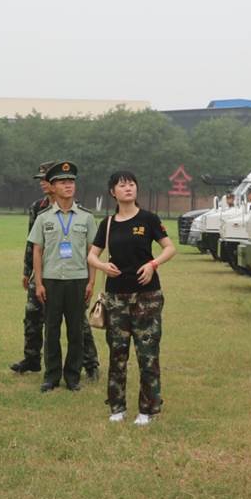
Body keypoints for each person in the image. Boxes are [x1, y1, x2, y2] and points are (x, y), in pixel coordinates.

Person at [90, 169, 173, 425]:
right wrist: (103, 267)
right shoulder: (108, 223)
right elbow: (91, 255)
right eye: (122, 185)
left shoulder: (148, 219)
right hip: (116, 298)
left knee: (147, 354)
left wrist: (152, 265)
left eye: (132, 185)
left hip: (147, 297)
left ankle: (147, 410)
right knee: (117, 354)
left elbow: (170, 248)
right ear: (112, 192)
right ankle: (117, 407)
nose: (128, 189)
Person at [27, 161, 98, 393]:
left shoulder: (86, 218)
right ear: (53, 187)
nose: (68, 186)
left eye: (71, 182)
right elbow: (37, 250)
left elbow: (92, 252)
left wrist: (91, 281)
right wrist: (38, 282)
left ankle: (73, 376)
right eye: (62, 182)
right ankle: (51, 376)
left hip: (78, 280)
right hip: (52, 279)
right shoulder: (44, 217)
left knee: (76, 331)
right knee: (52, 330)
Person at [9, 165, 52, 375]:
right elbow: (31, 241)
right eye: (40, 179)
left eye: (45, 178)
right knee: (33, 315)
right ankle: (32, 359)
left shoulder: (76, 208)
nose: (42, 182)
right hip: (40, 270)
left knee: (76, 321)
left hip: (67, 273)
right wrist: (27, 271)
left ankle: (90, 364)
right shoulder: (37, 207)